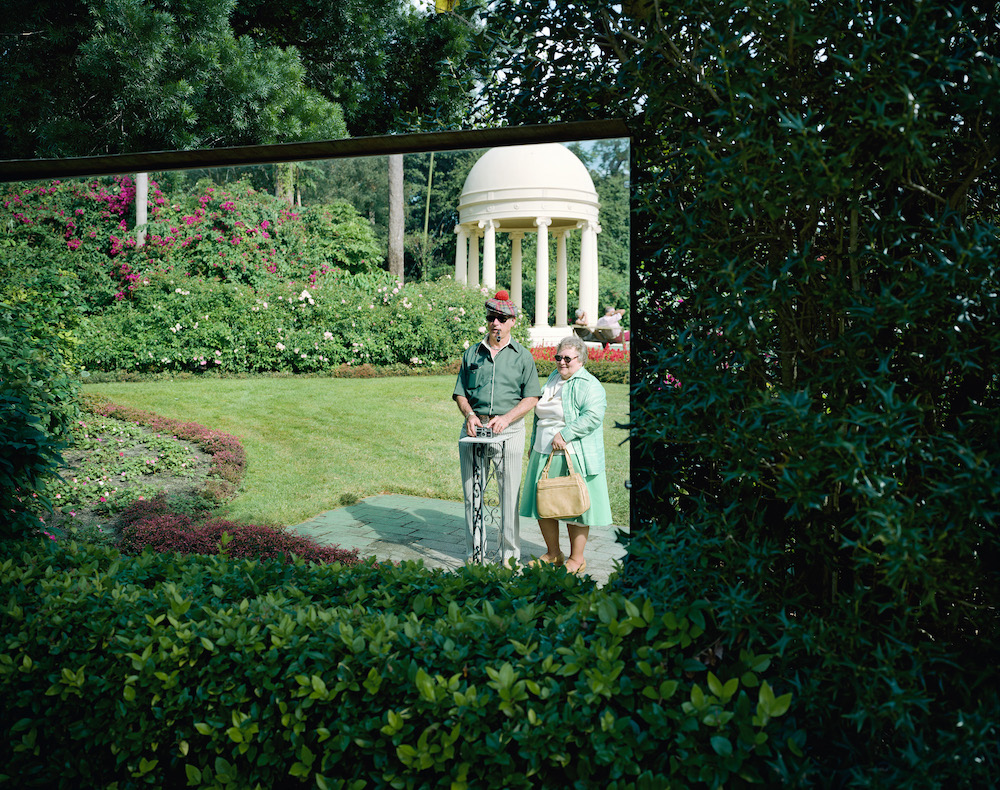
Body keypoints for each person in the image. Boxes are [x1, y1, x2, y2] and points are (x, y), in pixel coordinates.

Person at [453, 290, 541, 566]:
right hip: (474, 432)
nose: (496, 323)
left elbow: (531, 398)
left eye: (502, 318)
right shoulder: (472, 353)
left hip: (510, 432)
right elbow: (460, 393)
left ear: (512, 321)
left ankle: (509, 557)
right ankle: (474, 554)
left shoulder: (523, 356)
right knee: (471, 495)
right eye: (492, 317)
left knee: (508, 497)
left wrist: (507, 418)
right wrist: (468, 414)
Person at [519, 334, 613, 575]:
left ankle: (577, 558)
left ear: (580, 360)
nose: (561, 362)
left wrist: (565, 434)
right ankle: (553, 554)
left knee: (574, 506)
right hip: (543, 450)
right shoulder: (552, 378)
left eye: (567, 358)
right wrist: (533, 444)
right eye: (558, 357)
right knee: (544, 504)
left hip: (572, 452)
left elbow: (592, 416)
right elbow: (540, 416)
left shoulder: (589, 384)